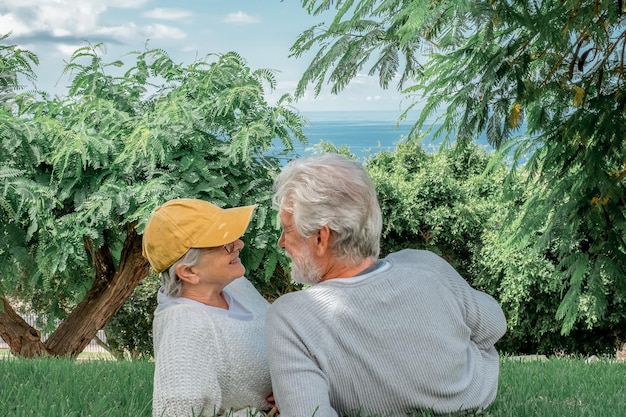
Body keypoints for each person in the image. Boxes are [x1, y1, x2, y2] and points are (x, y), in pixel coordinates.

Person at [265, 154, 507, 417]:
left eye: (287, 230)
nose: (281, 242)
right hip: (473, 398)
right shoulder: (425, 265)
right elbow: (495, 326)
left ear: (322, 238)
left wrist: (296, 392)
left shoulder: (291, 316)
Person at [142, 198, 274, 417]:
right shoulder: (184, 329)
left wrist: (291, 387)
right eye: (225, 244)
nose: (239, 244)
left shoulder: (237, 287)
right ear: (189, 272)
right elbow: (175, 411)